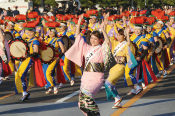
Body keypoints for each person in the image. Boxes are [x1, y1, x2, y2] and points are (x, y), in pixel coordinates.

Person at [65, 14, 111, 116]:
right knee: (81, 104)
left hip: (96, 77)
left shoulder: (101, 48)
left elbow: (108, 42)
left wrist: (103, 29)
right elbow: (78, 37)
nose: (93, 40)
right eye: (91, 38)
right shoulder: (87, 48)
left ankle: (96, 114)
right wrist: (79, 22)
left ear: (99, 40)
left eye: (95, 39)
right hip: (85, 77)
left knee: (87, 99)